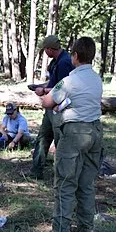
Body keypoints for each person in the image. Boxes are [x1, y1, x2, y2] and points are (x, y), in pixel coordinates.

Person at [38, 36, 103, 232]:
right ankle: (86, 228)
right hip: (95, 131)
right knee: (86, 183)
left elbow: (48, 102)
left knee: (65, 183)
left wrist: (43, 96)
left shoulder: (69, 81)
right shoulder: (96, 79)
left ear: (75, 56)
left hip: (74, 132)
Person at [27, 35, 74, 179]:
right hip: (51, 106)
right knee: (43, 138)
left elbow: (62, 88)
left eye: (45, 49)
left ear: (49, 49)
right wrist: (40, 86)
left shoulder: (64, 63)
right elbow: (53, 83)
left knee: (59, 140)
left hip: (59, 109)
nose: (44, 52)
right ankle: (36, 171)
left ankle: (62, 175)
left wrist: (43, 91)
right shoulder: (57, 62)